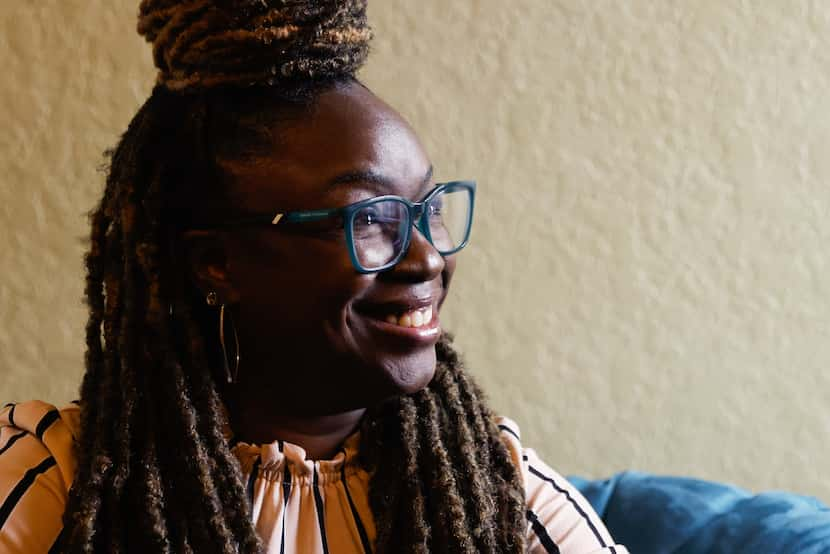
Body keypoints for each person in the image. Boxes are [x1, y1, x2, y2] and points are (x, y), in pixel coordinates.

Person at [0, 1, 629, 552]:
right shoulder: (56, 483)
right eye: (370, 218)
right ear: (216, 263)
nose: (428, 259)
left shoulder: (492, 489)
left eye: (428, 208)